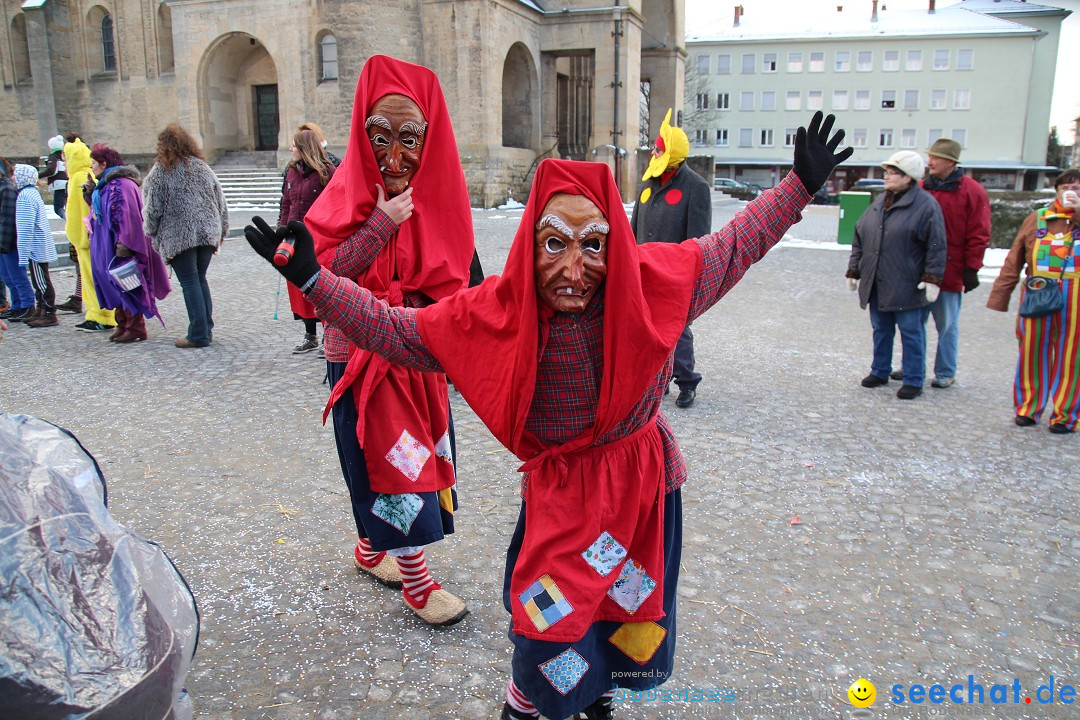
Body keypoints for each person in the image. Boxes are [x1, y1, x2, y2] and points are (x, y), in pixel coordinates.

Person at [246, 111, 851, 720]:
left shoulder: (653, 285)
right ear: (529, 243)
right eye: (554, 243)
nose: (572, 269)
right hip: (562, 499)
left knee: (617, 613)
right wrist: (313, 279)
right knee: (546, 629)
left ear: (615, 242)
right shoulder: (496, 314)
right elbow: (397, 330)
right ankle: (530, 706)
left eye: (593, 246)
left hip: (637, 492)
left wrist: (797, 187)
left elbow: (734, 246)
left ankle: (597, 702)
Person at [281, 55, 475, 627]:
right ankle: (416, 581)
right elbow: (321, 280)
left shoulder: (440, 198)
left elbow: (459, 280)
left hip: (416, 357)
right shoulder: (343, 196)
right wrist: (381, 223)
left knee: (415, 460)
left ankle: (371, 549)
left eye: (410, 138)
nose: (395, 156)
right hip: (358, 359)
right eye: (380, 136)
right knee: (390, 465)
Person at [846, 150, 946, 400]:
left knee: (911, 332)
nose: (887, 177)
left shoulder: (926, 206)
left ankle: (913, 379)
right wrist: (854, 268)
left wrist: (932, 278)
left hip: (908, 284)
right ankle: (880, 370)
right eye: (887, 172)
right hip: (878, 282)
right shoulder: (880, 202)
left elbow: (937, 244)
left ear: (909, 177)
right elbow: (860, 235)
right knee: (880, 329)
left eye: (894, 173)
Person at [987, 169, 1080, 433]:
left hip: (1076, 297)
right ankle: (1028, 408)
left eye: (1078, 187)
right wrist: (1000, 296)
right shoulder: (1037, 218)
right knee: (1031, 352)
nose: (1072, 191)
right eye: (1067, 187)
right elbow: (1014, 258)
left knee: (1072, 357)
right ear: (1057, 191)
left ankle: (1066, 415)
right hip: (1038, 292)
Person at [631, 108, 711, 409]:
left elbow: (700, 240)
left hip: (674, 275)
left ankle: (687, 381)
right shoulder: (648, 184)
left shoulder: (696, 188)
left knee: (678, 330)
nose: (653, 152)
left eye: (658, 149)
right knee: (647, 329)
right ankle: (658, 380)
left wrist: (689, 276)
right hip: (643, 271)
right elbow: (632, 228)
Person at [907, 137, 990, 389]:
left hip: (950, 271)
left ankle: (945, 371)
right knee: (912, 323)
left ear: (950, 162)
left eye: (935, 157)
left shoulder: (972, 191)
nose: (929, 162)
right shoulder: (920, 187)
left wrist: (971, 267)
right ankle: (913, 367)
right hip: (917, 269)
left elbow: (980, 232)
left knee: (946, 325)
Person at [142, 123, 229, 348]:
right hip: (207, 233)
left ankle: (198, 333)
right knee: (199, 279)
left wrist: (150, 230)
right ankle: (205, 328)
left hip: (179, 235)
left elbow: (153, 207)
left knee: (190, 281)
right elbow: (221, 201)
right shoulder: (202, 167)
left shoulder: (161, 171)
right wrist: (222, 229)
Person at [84, 144, 170, 342]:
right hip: (105, 243)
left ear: (104, 163)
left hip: (119, 245)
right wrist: (89, 195)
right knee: (112, 282)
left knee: (127, 283)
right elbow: (102, 212)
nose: (92, 166)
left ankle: (135, 327)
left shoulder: (122, 185)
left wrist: (125, 243)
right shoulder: (104, 185)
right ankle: (122, 323)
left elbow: (129, 216)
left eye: (94, 163)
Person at [278, 127, 336, 354]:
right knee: (298, 287)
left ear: (304, 148)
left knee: (319, 286)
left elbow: (334, 204)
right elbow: (286, 203)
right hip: (293, 238)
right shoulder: (291, 172)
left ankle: (327, 337)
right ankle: (309, 334)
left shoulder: (326, 171)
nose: (291, 149)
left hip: (318, 238)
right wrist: (281, 229)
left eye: (294, 145)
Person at [65, 138, 116, 333]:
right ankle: (97, 313)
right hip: (88, 236)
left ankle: (101, 315)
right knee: (90, 278)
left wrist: (78, 237)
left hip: (86, 237)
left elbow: (79, 211)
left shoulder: (79, 177)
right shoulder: (82, 176)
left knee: (93, 278)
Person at [13, 164, 59, 327]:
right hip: (37, 246)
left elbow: (25, 227)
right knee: (40, 280)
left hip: (35, 248)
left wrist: (23, 253)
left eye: (15, 175)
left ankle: (48, 312)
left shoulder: (25, 196)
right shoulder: (31, 193)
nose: (12, 178)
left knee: (41, 281)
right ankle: (41, 309)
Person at [0, 157, 35, 322]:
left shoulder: (6, 188)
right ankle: (16, 305)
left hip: (8, 241)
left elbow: (7, 218)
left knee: (16, 276)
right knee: (8, 276)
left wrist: (3, 243)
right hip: (4, 240)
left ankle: (26, 305)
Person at [39, 134, 68, 220]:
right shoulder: (64, 155)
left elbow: (51, 170)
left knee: (58, 207)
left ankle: (68, 220)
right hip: (67, 182)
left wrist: (38, 175)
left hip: (60, 184)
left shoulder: (53, 156)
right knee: (67, 205)